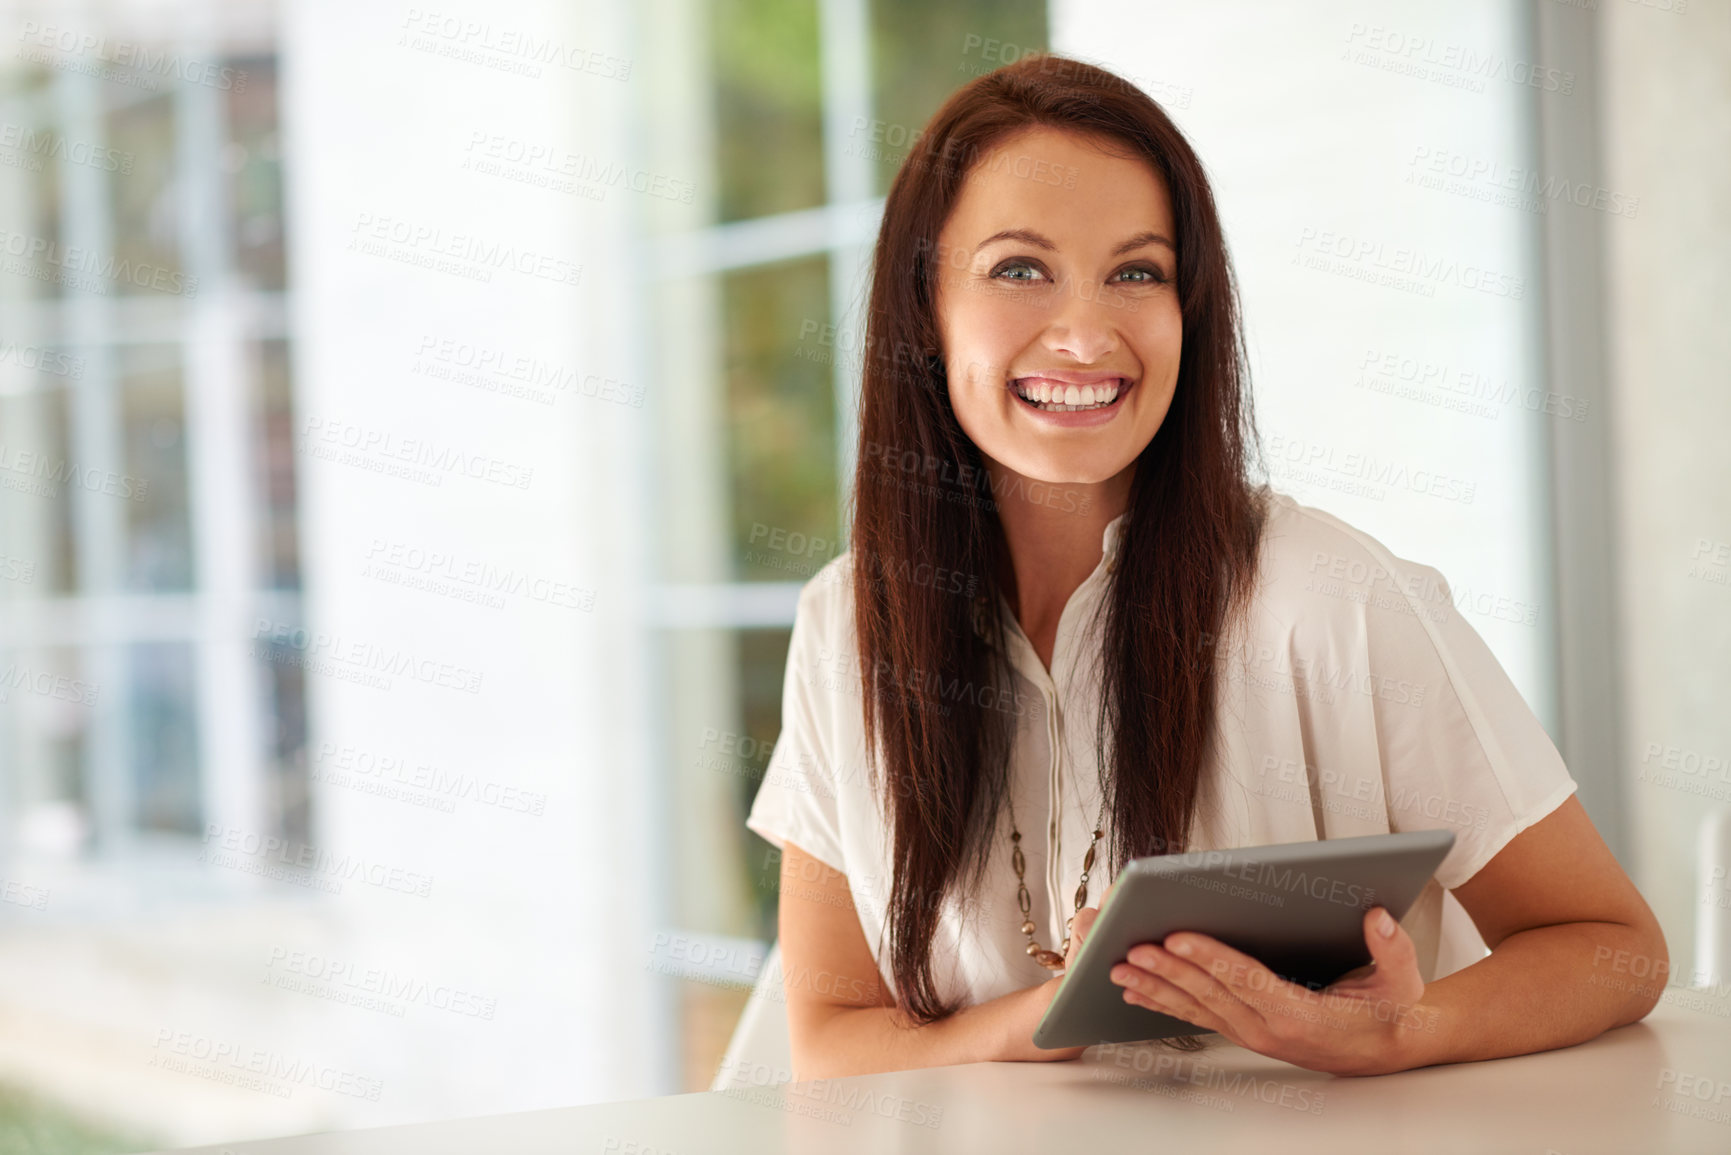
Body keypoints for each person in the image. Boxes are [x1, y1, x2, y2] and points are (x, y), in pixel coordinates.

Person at [744, 53, 1665, 1080]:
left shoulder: (1334, 600)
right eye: (1019, 269)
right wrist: (1057, 1015)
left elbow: (1612, 949)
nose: (1088, 335)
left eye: (1138, 272)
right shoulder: (847, 624)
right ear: (923, 307)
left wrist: (1401, 1034)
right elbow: (829, 1043)